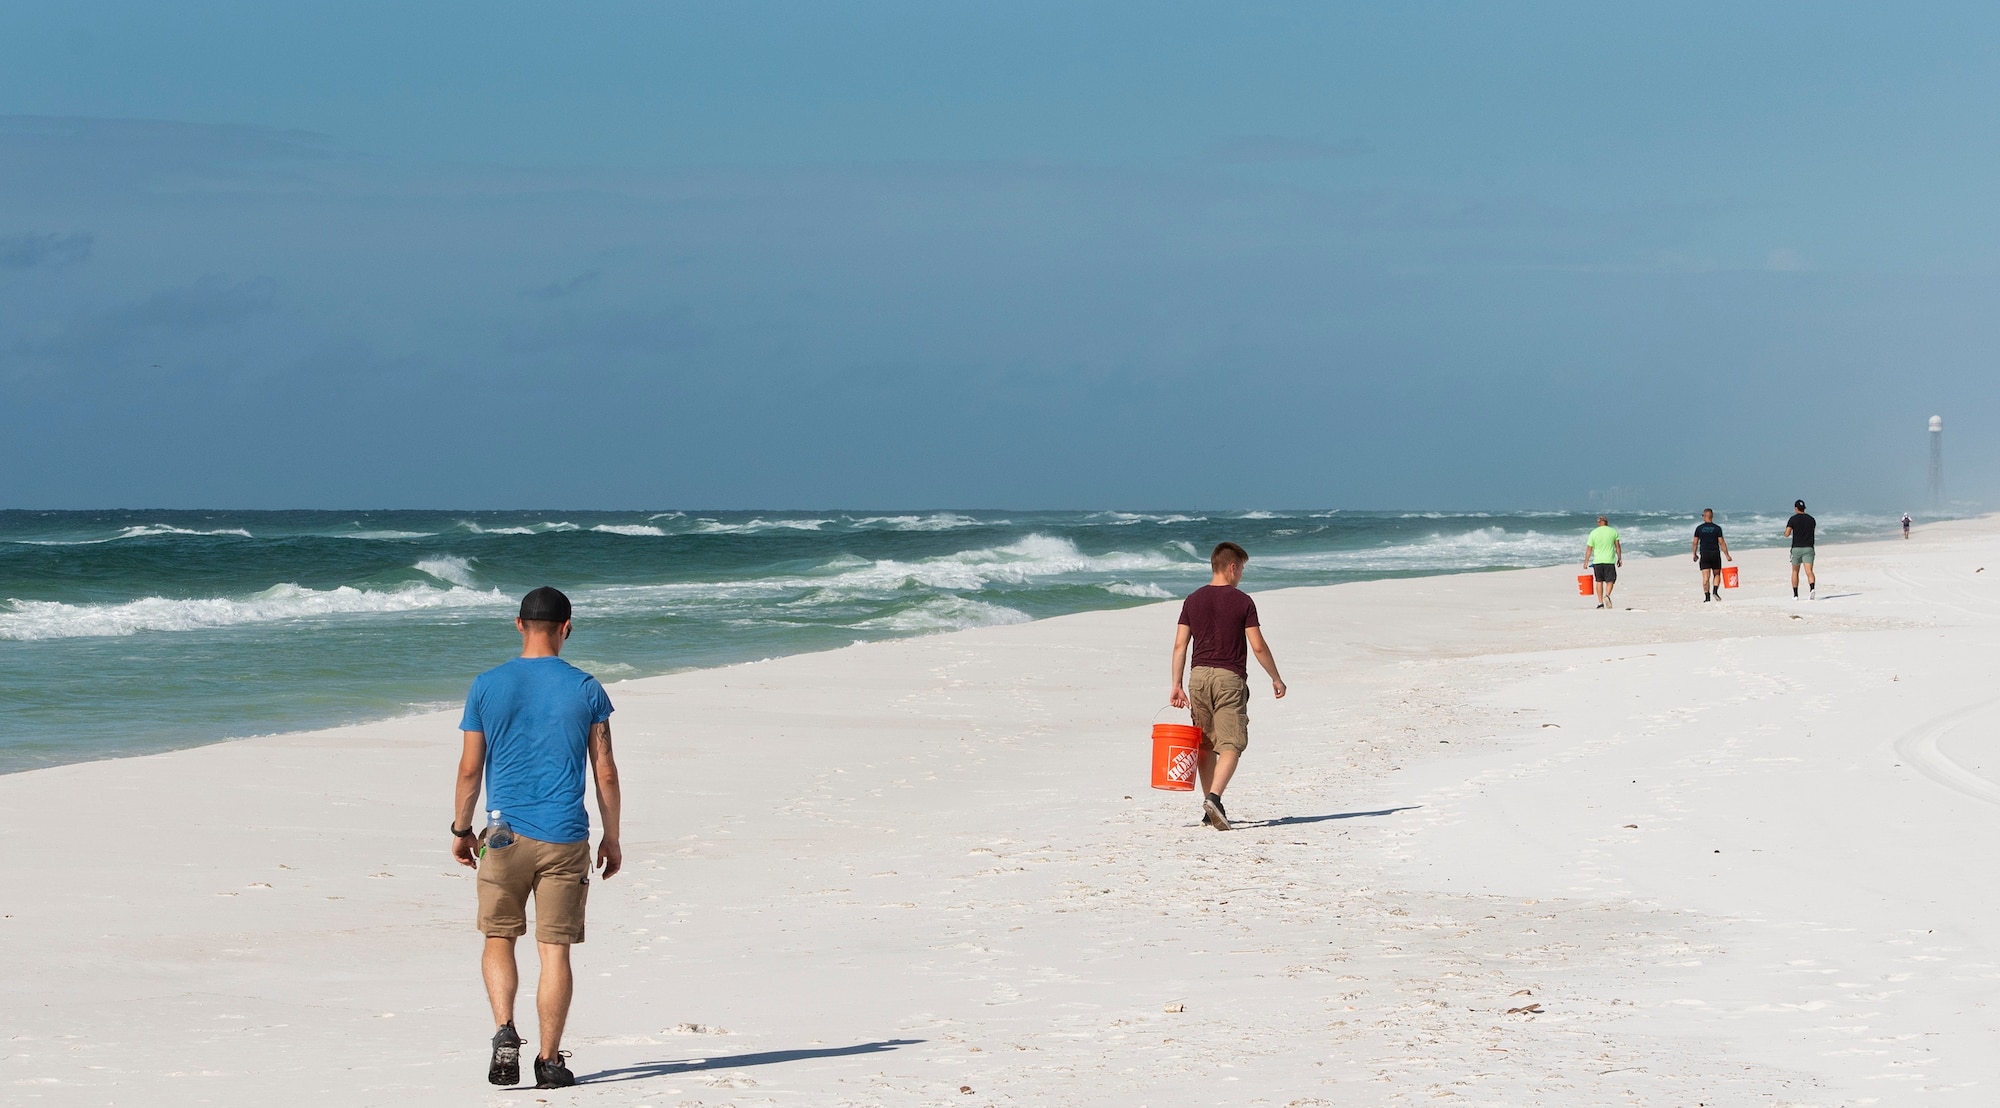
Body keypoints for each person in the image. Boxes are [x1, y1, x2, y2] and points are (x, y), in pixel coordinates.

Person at [452, 587, 622, 1089]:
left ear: (518, 624)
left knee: (499, 935)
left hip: (502, 836)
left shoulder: (486, 685)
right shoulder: (587, 688)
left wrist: (462, 830)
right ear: (567, 627)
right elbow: (605, 773)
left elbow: (469, 770)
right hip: (565, 837)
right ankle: (548, 1061)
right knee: (555, 950)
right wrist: (611, 838)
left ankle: (505, 1030)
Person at [1169, 542, 1286, 832]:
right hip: (1228, 678)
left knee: (1206, 745)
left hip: (1197, 678)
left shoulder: (1192, 600)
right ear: (1232, 567)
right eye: (1242, 569)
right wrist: (1275, 676)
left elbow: (1180, 645)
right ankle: (1214, 799)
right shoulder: (1242, 601)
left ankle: (1210, 811)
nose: (1241, 575)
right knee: (1232, 744)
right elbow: (1257, 646)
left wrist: (1176, 684)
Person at [1692, 509, 1732, 602]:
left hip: (1704, 554)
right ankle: (1715, 591)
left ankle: (1707, 597)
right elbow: (1721, 542)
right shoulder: (1717, 528)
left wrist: (1694, 554)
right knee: (1717, 574)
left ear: (1705, 516)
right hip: (1715, 554)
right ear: (1711, 516)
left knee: (1706, 577)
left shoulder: (1699, 528)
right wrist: (1727, 555)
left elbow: (1695, 542)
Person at [1584, 516, 1622, 609]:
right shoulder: (1613, 531)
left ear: (1598, 523)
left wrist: (1586, 561)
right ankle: (1607, 595)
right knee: (1610, 580)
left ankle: (1600, 603)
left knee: (1599, 581)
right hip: (1609, 560)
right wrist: (1619, 558)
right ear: (1606, 522)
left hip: (1598, 561)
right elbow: (1617, 546)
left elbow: (1589, 548)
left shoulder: (1593, 533)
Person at [1785, 500, 1817, 599]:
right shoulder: (1811, 519)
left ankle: (1795, 595)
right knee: (1809, 571)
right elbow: (1812, 531)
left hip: (1797, 548)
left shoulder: (1793, 519)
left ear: (1796, 508)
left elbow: (1787, 534)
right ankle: (1812, 589)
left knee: (1795, 571)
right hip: (1808, 547)